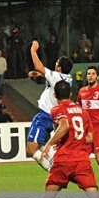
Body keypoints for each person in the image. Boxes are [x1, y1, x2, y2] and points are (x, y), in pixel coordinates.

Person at [26, 40, 73, 171]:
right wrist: (40, 74)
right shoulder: (67, 78)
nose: (55, 64)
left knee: (31, 149)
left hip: (44, 116)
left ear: (59, 68)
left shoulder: (57, 77)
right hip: (53, 118)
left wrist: (33, 50)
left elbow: (38, 66)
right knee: (41, 147)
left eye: (57, 63)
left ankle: (55, 172)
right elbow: (49, 76)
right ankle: (55, 165)